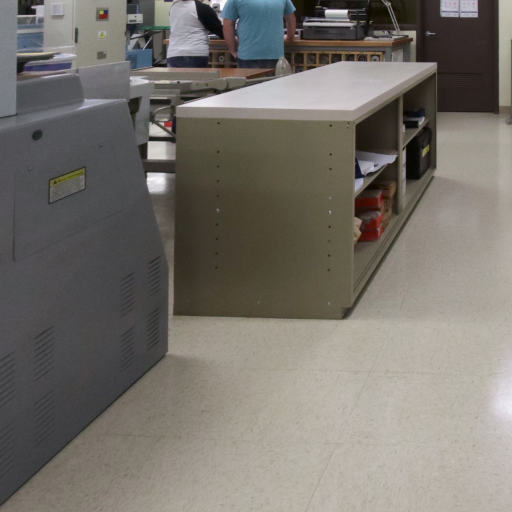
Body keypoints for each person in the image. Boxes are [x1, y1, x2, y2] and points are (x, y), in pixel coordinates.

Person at [221, 0, 296, 69]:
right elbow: (291, 19)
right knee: (274, 79)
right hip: (275, 53)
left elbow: (228, 25)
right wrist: (289, 37)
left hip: (247, 54)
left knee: (251, 79)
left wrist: (233, 50)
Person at [167, 0, 224, 68]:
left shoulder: (173, 7)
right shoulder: (201, 8)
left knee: (176, 75)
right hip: (195, 53)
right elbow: (220, 30)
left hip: (173, 54)